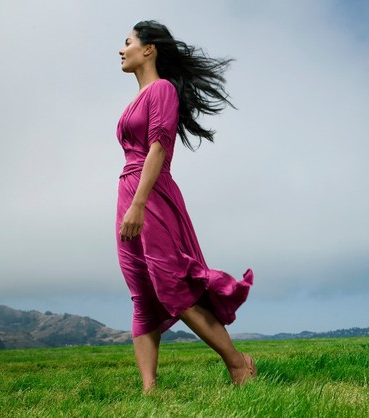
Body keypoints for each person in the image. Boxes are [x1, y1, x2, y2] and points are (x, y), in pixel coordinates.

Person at [116, 20, 255, 392]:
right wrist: (129, 202)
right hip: (128, 191)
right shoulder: (136, 98)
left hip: (151, 195)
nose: (120, 50)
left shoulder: (161, 90)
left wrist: (140, 205)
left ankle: (238, 363)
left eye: (127, 42)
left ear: (149, 49)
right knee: (142, 293)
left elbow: (159, 147)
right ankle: (149, 390)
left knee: (171, 285)